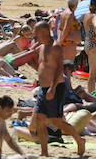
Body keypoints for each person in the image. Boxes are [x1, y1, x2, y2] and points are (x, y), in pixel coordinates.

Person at [32, 21, 86, 157]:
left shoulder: (55, 47)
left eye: (37, 32)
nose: (35, 34)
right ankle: (44, 152)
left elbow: (59, 69)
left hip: (55, 88)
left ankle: (79, 140)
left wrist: (52, 88)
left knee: (55, 121)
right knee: (39, 119)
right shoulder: (42, 46)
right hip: (43, 88)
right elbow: (43, 66)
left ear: (44, 32)